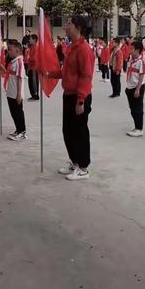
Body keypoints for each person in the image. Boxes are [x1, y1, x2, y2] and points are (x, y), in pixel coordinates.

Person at [46, 15, 94, 180]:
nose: (65, 27)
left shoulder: (84, 49)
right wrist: (48, 73)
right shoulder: (71, 47)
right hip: (68, 95)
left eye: (68, 24)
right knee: (68, 131)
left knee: (80, 132)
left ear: (78, 27)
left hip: (79, 97)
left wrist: (81, 100)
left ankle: (83, 167)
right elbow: (65, 72)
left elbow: (86, 76)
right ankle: (74, 162)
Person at [1, 40, 27, 141]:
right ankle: (18, 129)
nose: (9, 52)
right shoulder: (13, 62)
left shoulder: (19, 62)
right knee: (13, 112)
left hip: (16, 93)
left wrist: (19, 95)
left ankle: (22, 131)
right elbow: (8, 74)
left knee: (18, 112)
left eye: (10, 50)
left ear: (17, 50)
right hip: (10, 92)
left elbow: (20, 79)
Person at [125, 41, 145, 137]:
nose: (130, 51)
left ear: (138, 50)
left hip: (137, 88)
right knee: (132, 109)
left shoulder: (140, 62)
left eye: (132, 49)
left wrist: (138, 89)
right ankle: (136, 126)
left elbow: (141, 76)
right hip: (130, 87)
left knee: (138, 109)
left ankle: (139, 128)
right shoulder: (131, 59)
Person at [27, 34, 40, 101]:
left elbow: (34, 58)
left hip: (34, 67)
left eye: (31, 39)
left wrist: (29, 59)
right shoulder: (31, 47)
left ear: (34, 40)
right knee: (30, 82)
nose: (29, 40)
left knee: (33, 82)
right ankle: (33, 95)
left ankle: (35, 95)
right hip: (30, 67)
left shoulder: (36, 47)